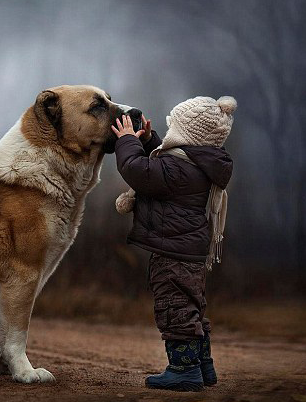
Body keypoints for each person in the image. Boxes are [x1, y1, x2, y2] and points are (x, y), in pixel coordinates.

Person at [111, 96, 236, 392]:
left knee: (174, 308)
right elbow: (162, 163)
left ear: (187, 135)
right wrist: (148, 140)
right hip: (188, 251)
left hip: (173, 253)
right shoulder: (195, 164)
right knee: (191, 307)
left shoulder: (177, 170)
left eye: (173, 128)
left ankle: (184, 371)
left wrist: (127, 141)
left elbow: (136, 169)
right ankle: (203, 366)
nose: (168, 135)